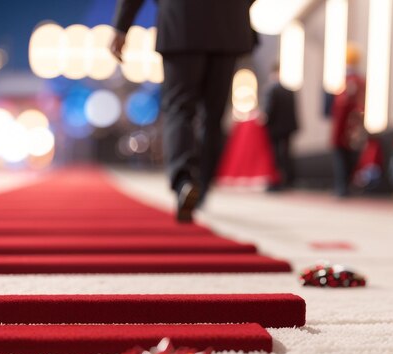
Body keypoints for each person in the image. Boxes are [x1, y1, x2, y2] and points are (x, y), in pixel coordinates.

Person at [110, 0, 257, 222]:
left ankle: (184, 181)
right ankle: (204, 187)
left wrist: (122, 26)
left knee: (179, 108)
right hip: (228, 25)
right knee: (214, 115)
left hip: (181, 21)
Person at [331, 44, 366, 198]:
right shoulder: (356, 80)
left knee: (344, 157)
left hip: (346, 126)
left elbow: (343, 104)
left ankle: (343, 187)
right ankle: (344, 186)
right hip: (350, 126)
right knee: (349, 156)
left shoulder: (351, 81)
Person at [263, 63, 299, 191]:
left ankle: (276, 181)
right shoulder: (289, 91)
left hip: (275, 128)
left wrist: (265, 121)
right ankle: (289, 180)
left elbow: (269, 110)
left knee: (276, 155)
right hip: (288, 128)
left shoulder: (272, 90)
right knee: (286, 154)